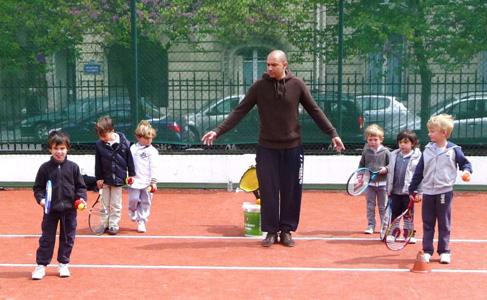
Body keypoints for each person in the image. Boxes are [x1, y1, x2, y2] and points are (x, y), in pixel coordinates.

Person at [201, 50, 345, 247]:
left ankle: (286, 231)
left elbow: (315, 110)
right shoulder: (259, 87)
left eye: (273, 65)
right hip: (267, 148)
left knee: (291, 190)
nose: (268, 68)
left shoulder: (297, 85)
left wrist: (332, 133)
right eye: (267, 64)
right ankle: (270, 231)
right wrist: (218, 131)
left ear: (284, 65)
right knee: (268, 191)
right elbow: (240, 110)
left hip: (293, 148)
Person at [409, 114, 472, 264]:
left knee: (444, 222)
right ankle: (427, 251)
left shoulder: (454, 150)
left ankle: (444, 251)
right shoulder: (427, 150)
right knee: (428, 222)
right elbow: (419, 171)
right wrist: (413, 189)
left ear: (443, 132)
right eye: (429, 131)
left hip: (444, 192)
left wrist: (466, 171)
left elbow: (465, 164)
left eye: (432, 131)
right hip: (428, 192)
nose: (429, 134)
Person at [32, 131, 87, 280]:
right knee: (47, 238)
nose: (59, 152)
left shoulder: (74, 167)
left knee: (68, 238)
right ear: (50, 149)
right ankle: (41, 265)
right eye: (56, 148)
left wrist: (81, 199)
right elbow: (38, 188)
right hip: (50, 211)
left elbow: (80, 187)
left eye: (62, 148)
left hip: (69, 211)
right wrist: (42, 200)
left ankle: (63, 263)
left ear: (67, 149)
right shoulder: (44, 168)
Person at [95, 115, 135, 235]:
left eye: (104, 135)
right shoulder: (99, 145)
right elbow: (98, 163)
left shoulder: (125, 143)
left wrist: (131, 174)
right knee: (104, 203)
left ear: (112, 130)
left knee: (116, 203)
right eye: (100, 136)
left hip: (119, 178)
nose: (102, 138)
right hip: (105, 179)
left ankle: (113, 224)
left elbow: (130, 160)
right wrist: (99, 178)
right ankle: (104, 223)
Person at [385, 129, 421, 243]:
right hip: (395, 191)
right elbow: (390, 170)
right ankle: (393, 233)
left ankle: (408, 234)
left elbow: (421, 176)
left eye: (406, 142)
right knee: (395, 214)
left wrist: (419, 191)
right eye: (400, 142)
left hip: (408, 193)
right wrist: (385, 170)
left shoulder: (418, 157)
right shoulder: (393, 155)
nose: (402, 145)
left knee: (408, 215)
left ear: (413, 144)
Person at [358, 124, 390, 234]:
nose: (372, 142)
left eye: (375, 139)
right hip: (369, 184)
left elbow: (391, 165)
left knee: (383, 207)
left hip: (383, 184)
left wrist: (385, 169)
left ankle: (384, 227)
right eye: (370, 139)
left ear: (381, 139)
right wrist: (360, 176)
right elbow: (361, 165)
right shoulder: (366, 152)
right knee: (370, 206)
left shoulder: (386, 152)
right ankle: (371, 226)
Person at [128, 120, 159, 233]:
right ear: (138, 137)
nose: (149, 140)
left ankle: (142, 221)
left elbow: (154, 167)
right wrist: (127, 176)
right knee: (133, 199)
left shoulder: (153, 151)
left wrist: (153, 182)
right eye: (146, 138)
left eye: (151, 137)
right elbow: (128, 163)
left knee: (146, 202)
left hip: (147, 182)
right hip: (134, 181)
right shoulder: (132, 149)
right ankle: (132, 210)